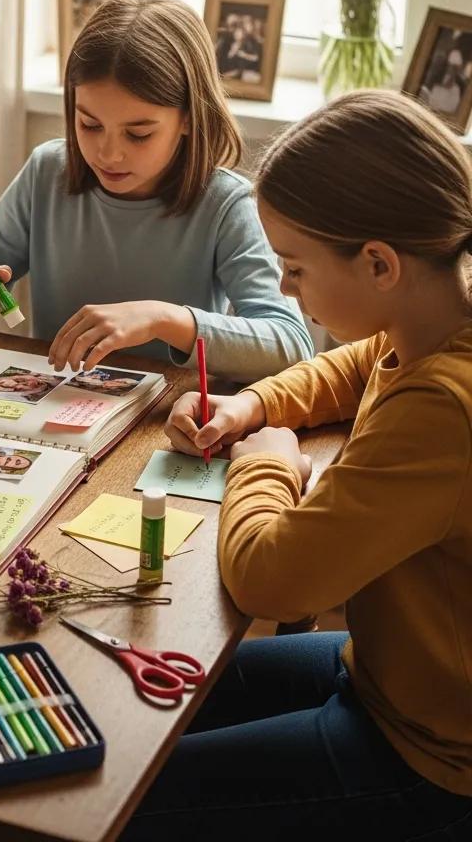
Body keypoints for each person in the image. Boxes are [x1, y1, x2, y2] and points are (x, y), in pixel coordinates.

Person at [134, 90, 472, 838]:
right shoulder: (437, 316)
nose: (285, 290)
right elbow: (356, 366)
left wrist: (269, 464)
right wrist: (251, 406)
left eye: (294, 268)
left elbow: (270, 578)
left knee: (122, 802)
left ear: (379, 264)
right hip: (384, 677)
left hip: (430, 759)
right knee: (141, 723)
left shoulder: (443, 410)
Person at [0, 0, 313, 383]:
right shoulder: (46, 172)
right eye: (89, 125)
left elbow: (291, 345)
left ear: (188, 118)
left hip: (164, 422)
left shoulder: (226, 204)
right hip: (54, 407)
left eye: (139, 134)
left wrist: (164, 319)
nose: (108, 154)